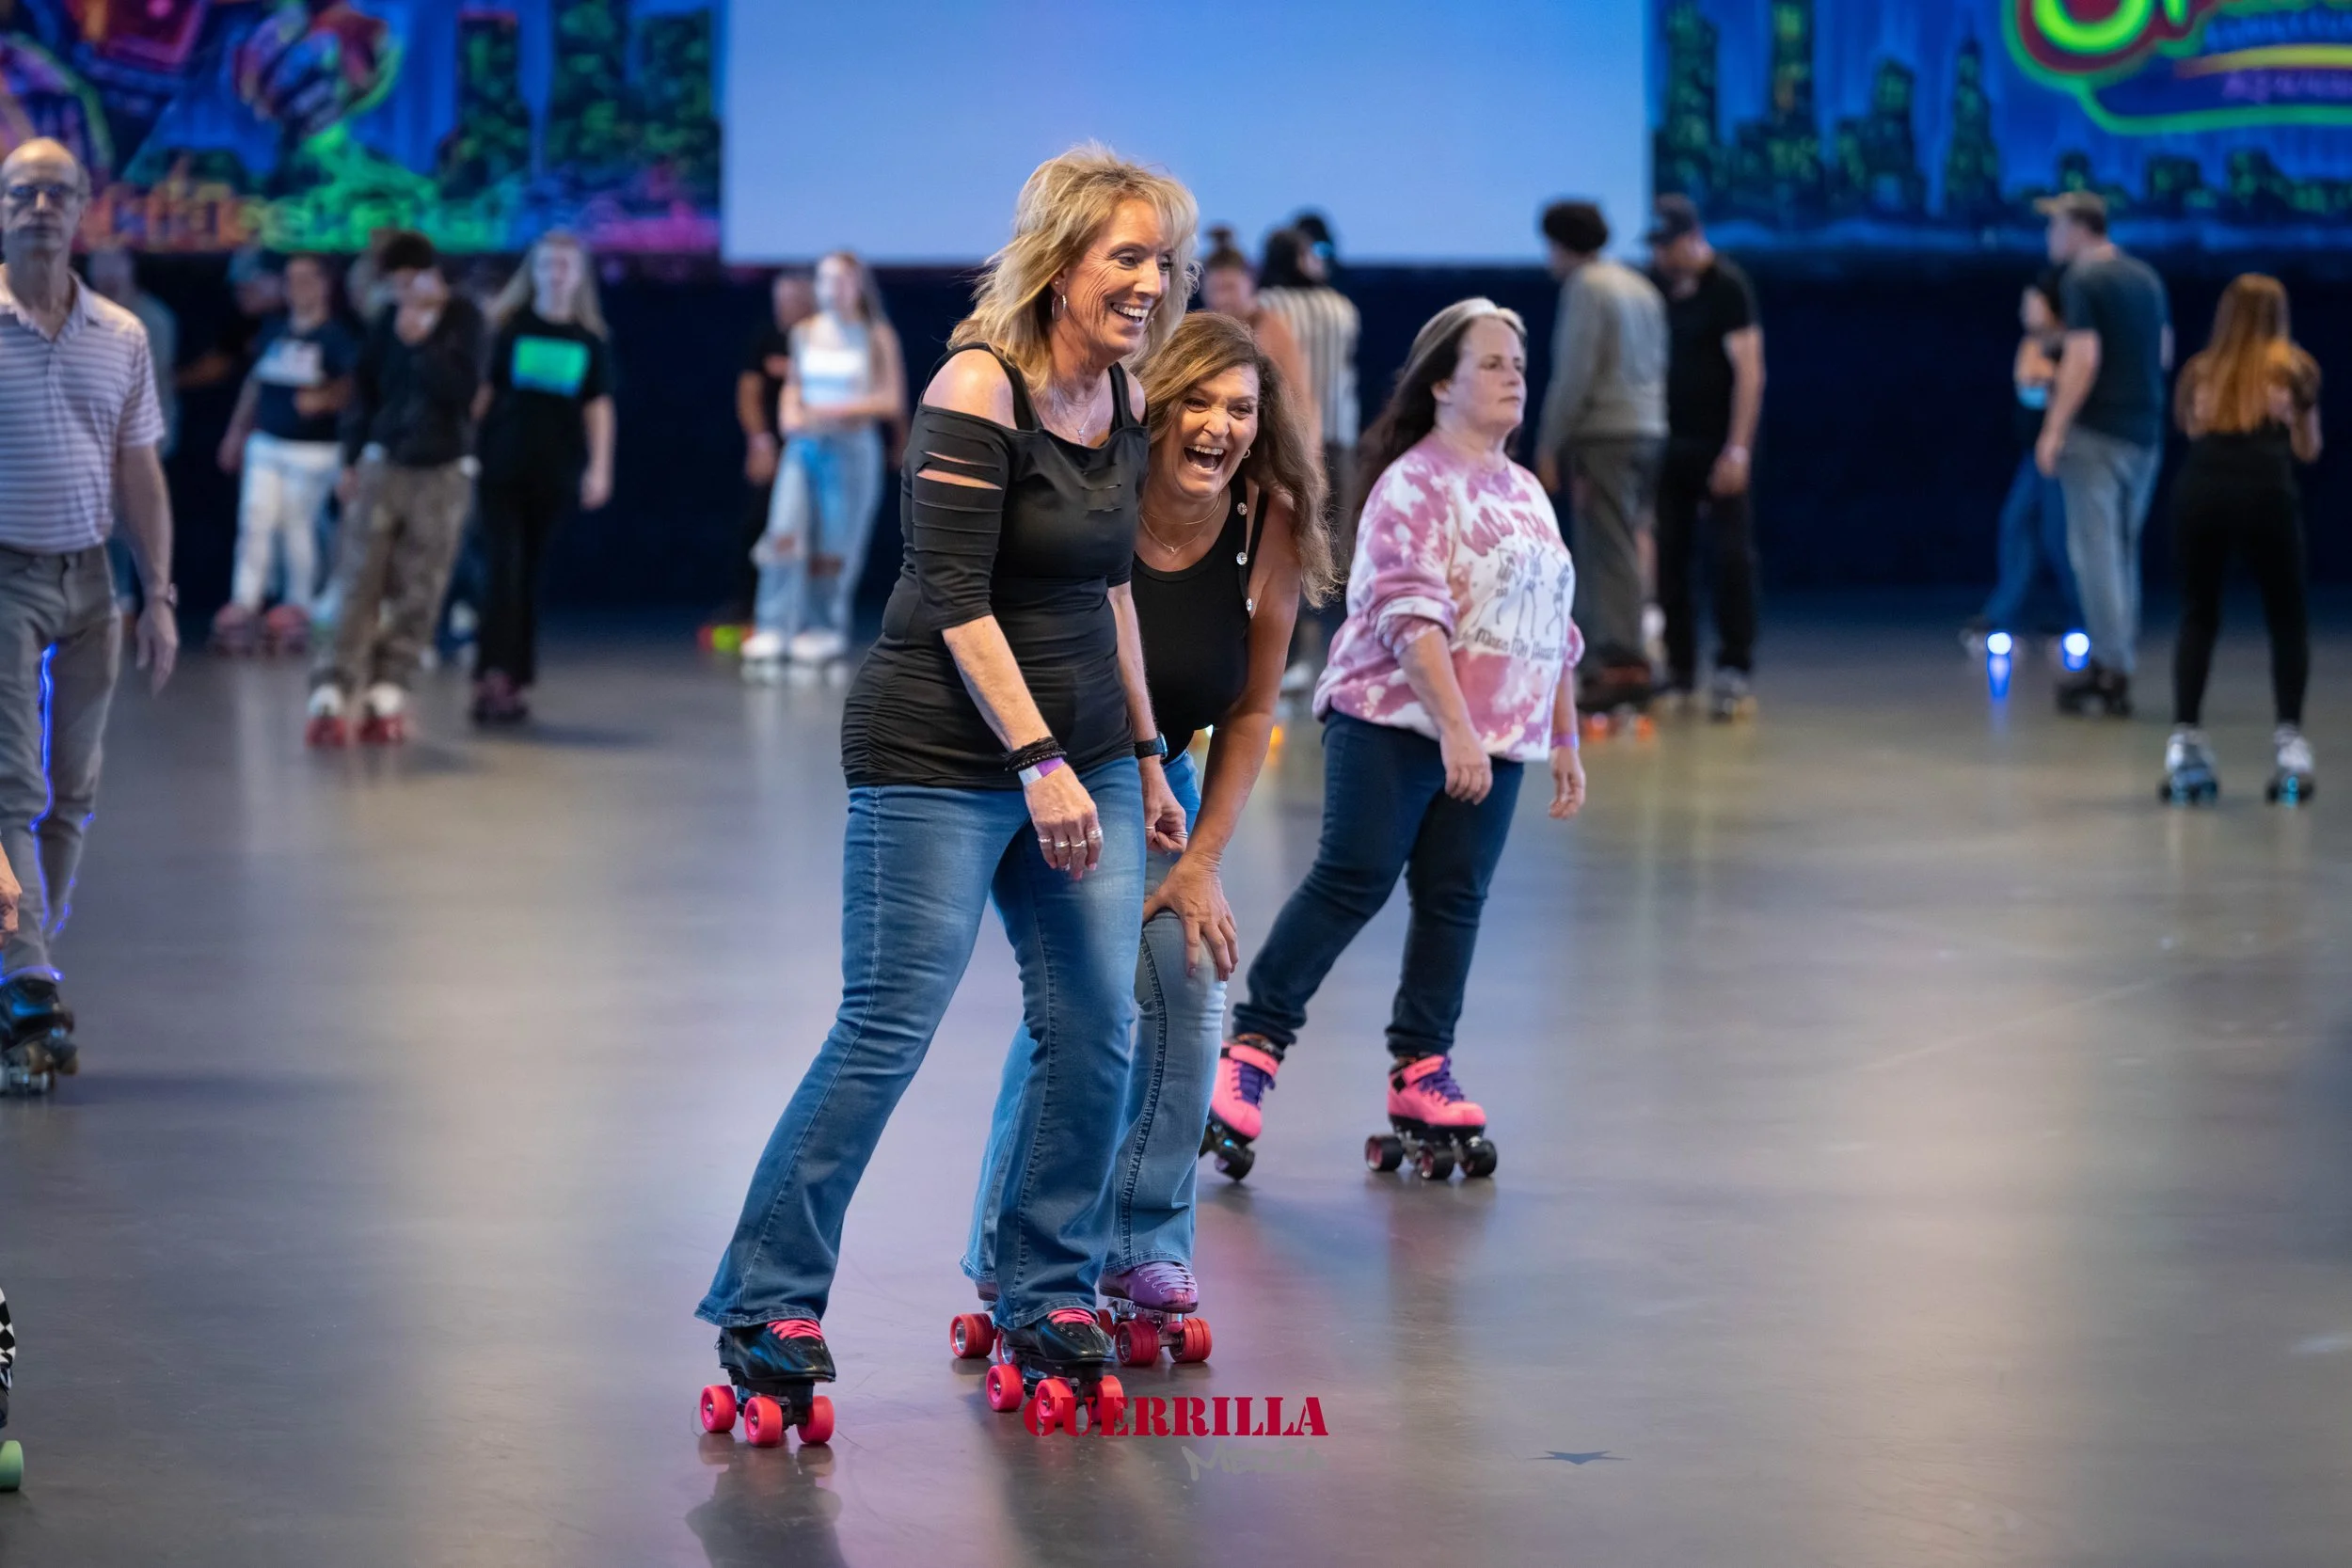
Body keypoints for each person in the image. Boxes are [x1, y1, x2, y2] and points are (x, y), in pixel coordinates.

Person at [695, 148, 1197, 1429]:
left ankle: (1047, 1283)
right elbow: (956, 601)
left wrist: (1139, 756)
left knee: (1095, 1026)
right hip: (940, 753)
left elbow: (1114, 591)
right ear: (1061, 260)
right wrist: (1037, 763)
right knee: (889, 1023)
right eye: (1125, 258)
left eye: (1163, 261)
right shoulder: (978, 385)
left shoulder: (1126, 394)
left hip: (1078, 753)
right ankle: (769, 1297)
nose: (1149, 284)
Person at [961, 309, 1333, 1335]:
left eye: (1241, 409)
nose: (1218, 427)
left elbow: (1252, 706)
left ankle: (1141, 1245)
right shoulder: (1101, 496)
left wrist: (1203, 860)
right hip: (1051, 762)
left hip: (1162, 773)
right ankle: (1009, 1245)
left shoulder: (1271, 521)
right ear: (1155, 408)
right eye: (1199, 403)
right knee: (1087, 1004)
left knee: (1189, 979)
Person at [1207, 299, 1587, 1183]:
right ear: (1442, 383)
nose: (1513, 376)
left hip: (1492, 739)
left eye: (1519, 363)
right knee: (1353, 881)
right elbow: (1409, 615)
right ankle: (1251, 1052)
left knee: (1456, 899)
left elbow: (1550, 624)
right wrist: (1454, 726)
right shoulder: (1413, 484)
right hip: (1392, 721)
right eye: (1493, 362)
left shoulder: (1524, 491)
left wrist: (1561, 735)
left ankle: (1422, 1067)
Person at [0, 139, 179, 1091]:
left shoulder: (121, 333)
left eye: (56, 192)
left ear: (81, 210)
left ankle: (23, 953)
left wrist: (160, 594)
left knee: (73, 789)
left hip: (90, 583)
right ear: (0, 207)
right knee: (12, 786)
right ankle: (26, 972)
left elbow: (139, 469)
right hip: (2, 579)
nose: (38, 205)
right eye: (21, 190)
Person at [306, 230, 485, 747]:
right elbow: (364, 394)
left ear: (433, 275)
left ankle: (390, 684)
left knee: (420, 579)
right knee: (359, 574)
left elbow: (464, 393)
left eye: (411, 282)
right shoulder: (387, 321)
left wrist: (423, 343)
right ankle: (333, 685)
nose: (403, 294)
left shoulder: (464, 321)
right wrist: (351, 459)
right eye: (395, 285)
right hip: (386, 463)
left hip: (444, 469)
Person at [2159, 275, 2322, 806]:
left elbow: (2191, 429)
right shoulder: (2296, 369)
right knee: (2286, 617)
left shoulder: (2200, 370)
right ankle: (2290, 740)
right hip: (2266, 493)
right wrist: (2287, 418)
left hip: (2201, 491)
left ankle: (2185, 738)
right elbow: (2308, 449)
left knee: (2198, 612)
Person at [468, 230, 616, 723]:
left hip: (553, 471)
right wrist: (462, 450)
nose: (555, 274)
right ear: (533, 272)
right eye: (546, 265)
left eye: (564, 266)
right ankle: (490, 674)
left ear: (577, 276)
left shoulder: (588, 339)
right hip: (501, 466)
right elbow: (483, 396)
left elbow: (598, 407)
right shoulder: (508, 327)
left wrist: (600, 468)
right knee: (502, 572)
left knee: (528, 576)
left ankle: (515, 677)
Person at [2033, 191, 2170, 718]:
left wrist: (2053, 428)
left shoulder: (2083, 281)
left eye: (2055, 228)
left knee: (2095, 557)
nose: (2051, 239)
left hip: (2097, 434)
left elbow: (2083, 358)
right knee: (2121, 553)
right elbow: (2162, 351)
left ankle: (2112, 669)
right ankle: (2114, 657)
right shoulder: (2146, 278)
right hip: (2145, 433)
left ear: (2077, 229)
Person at [1533, 199, 1667, 721]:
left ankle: (1619, 661)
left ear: (1562, 244)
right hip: (1649, 429)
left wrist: (1549, 443)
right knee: (1631, 537)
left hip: (1605, 431)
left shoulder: (1587, 287)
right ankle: (1628, 649)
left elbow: (1576, 373)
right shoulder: (1640, 286)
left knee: (1606, 543)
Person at [742, 251, 904, 680]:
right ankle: (774, 624)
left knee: (836, 541)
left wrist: (836, 410)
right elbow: (793, 388)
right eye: (825, 279)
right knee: (783, 532)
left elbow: (890, 398)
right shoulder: (804, 332)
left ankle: (823, 625)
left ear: (858, 286)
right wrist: (789, 413)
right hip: (805, 447)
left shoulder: (875, 335)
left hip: (850, 447)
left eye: (842, 280)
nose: (832, 288)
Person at [1646, 195, 1764, 720]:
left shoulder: (1728, 287)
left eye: (1667, 245)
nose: (1660, 256)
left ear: (1692, 238)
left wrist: (1737, 448)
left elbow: (1750, 372)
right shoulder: (1658, 290)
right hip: (1670, 445)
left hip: (1718, 448)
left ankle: (1733, 665)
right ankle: (1679, 667)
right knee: (1670, 557)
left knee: (1730, 557)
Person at [213, 253, 356, 655]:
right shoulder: (274, 331)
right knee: (256, 520)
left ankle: (300, 604)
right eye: (291, 280)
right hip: (268, 442)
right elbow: (254, 384)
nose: (298, 288)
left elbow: (354, 387)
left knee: (298, 524)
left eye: (307, 279)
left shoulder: (336, 336)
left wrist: (324, 398)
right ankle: (246, 600)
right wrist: (236, 432)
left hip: (313, 449)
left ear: (325, 285)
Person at [1256, 223, 1360, 690]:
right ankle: (1339, 657)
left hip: (1289, 437)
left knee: (1290, 540)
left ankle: (1295, 656)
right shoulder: (1343, 308)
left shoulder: (1267, 309)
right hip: (1341, 435)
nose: (1321, 258)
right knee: (1336, 548)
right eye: (1312, 251)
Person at [1965, 270, 2079, 650]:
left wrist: (2050, 376)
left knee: (2057, 534)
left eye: (2031, 302)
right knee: (2016, 523)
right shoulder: (2034, 342)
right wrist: (2044, 374)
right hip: (2034, 452)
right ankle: (2003, 613)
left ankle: (2082, 615)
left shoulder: (2076, 342)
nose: (2024, 310)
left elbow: (2056, 382)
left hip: (2065, 452)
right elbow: (2027, 377)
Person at [716, 271, 817, 640]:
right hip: (782, 446)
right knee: (764, 526)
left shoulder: (825, 336)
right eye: (779, 302)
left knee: (819, 533)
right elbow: (750, 392)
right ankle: (753, 606)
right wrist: (760, 441)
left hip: (823, 445)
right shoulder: (767, 337)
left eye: (792, 301)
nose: (784, 309)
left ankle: (808, 616)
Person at [86, 248, 180, 620]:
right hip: (92, 435)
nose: (107, 271)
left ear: (131, 267)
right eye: (100, 263)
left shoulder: (153, 318)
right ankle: (107, 599)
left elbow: (148, 383)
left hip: (142, 435)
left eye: (114, 262)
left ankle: (137, 601)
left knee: (134, 519)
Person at [1199, 227, 1317, 449]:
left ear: (1250, 284)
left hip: (1270, 446)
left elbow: (1301, 400)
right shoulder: (1199, 330)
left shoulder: (1272, 328)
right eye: (1216, 289)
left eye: (1230, 288)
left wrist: (1307, 458)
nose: (1223, 298)